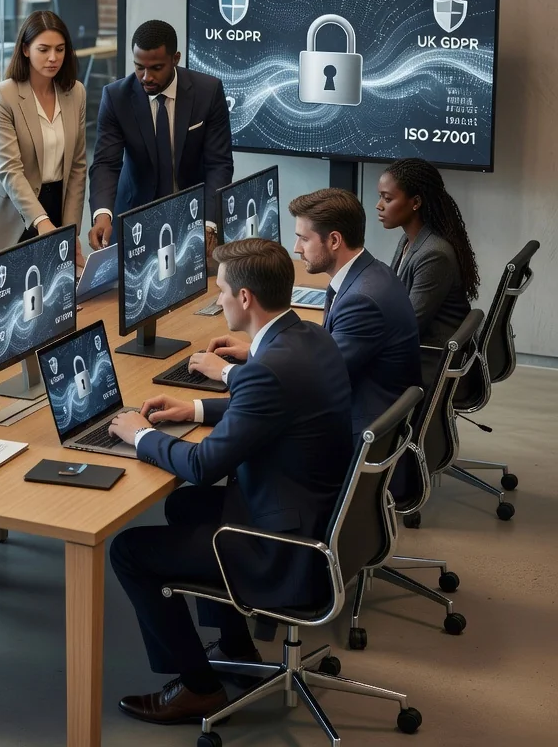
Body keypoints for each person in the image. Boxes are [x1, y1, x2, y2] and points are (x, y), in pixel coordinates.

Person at [106, 238, 352, 726]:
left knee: (128, 550)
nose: (216, 299)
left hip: (281, 548)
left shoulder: (269, 371)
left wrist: (141, 437)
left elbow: (202, 464)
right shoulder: (308, 337)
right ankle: (236, 646)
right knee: (186, 508)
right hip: (312, 514)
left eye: (220, 290)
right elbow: (271, 403)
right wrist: (194, 407)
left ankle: (198, 688)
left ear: (245, 298)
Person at [87, 19, 232, 256]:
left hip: (193, 213)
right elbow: (106, 163)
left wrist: (208, 223)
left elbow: (219, 164)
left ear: (175, 59)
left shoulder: (208, 91)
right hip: (134, 217)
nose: (146, 77)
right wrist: (102, 214)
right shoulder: (116, 97)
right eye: (139, 67)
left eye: (155, 68)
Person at [287, 188, 421, 438]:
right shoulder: (370, 271)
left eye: (304, 239)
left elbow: (315, 377)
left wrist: (229, 372)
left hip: (359, 429)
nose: (296, 248)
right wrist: (268, 349)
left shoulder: (362, 300)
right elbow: (329, 344)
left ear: (335, 240)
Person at [0, 11, 86, 259]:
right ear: (26, 49)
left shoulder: (76, 92)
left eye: (60, 49)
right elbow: (9, 170)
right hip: (14, 212)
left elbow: (77, 167)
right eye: (44, 49)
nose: (53, 58)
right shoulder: (1, 96)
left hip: (58, 205)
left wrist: (71, 229)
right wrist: (41, 221)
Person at [377, 157, 478, 348]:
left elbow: (409, 325)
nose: (379, 205)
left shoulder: (434, 255)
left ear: (415, 202)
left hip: (429, 354)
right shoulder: (409, 239)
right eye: (380, 197)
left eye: (387, 198)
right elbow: (394, 296)